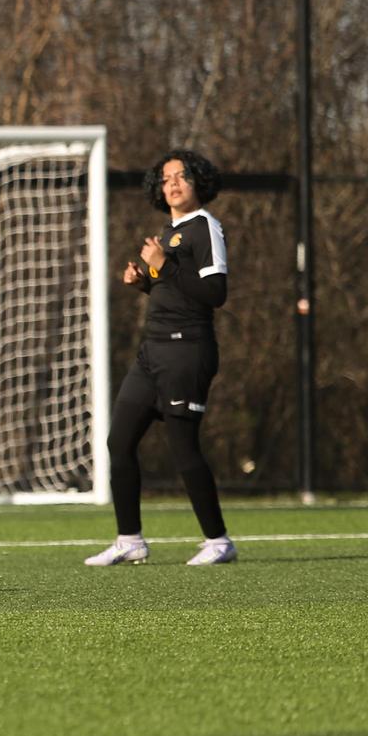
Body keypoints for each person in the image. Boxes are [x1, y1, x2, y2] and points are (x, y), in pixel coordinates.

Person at [86, 149, 235, 567]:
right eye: (166, 177)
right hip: (152, 352)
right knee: (120, 441)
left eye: (182, 176)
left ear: (198, 182)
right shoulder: (169, 232)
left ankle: (219, 541)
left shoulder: (205, 228)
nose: (173, 183)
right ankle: (129, 539)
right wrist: (144, 282)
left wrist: (163, 269)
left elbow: (215, 294)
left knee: (183, 447)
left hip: (187, 351)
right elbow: (175, 290)